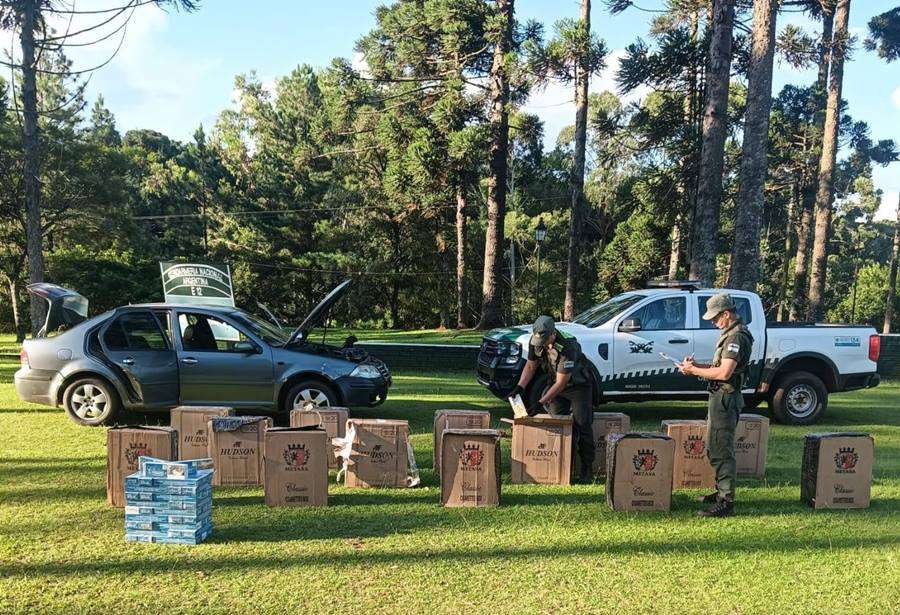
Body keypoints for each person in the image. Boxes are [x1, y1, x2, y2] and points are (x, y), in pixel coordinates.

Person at [679, 293, 753, 517]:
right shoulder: (731, 334)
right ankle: (721, 490)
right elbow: (719, 368)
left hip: (725, 397)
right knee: (714, 447)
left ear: (726, 314)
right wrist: (696, 367)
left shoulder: (736, 337)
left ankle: (725, 501)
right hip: (721, 396)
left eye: (715, 318)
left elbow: (724, 373)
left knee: (721, 449)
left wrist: (694, 370)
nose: (713, 322)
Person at [510, 315, 595, 483]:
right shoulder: (536, 341)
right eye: (538, 340)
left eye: (544, 340)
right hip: (555, 383)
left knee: (582, 424)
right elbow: (531, 365)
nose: (540, 344)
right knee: (558, 425)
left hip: (578, 386)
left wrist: (540, 403)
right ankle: (564, 467)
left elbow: (562, 383)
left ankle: (587, 468)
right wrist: (520, 387)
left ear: (553, 334)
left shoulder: (568, 347)